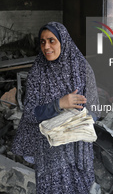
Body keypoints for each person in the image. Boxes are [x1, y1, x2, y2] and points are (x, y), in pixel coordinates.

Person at [11, 21, 100, 194]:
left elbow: (95, 109)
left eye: (52, 41)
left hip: (77, 147)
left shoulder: (82, 69)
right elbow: (30, 112)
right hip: (49, 148)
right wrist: (59, 104)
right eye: (42, 42)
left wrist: (79, 122)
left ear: (63, 41)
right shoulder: (38, 71)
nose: (46, 47)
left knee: (81, 188)